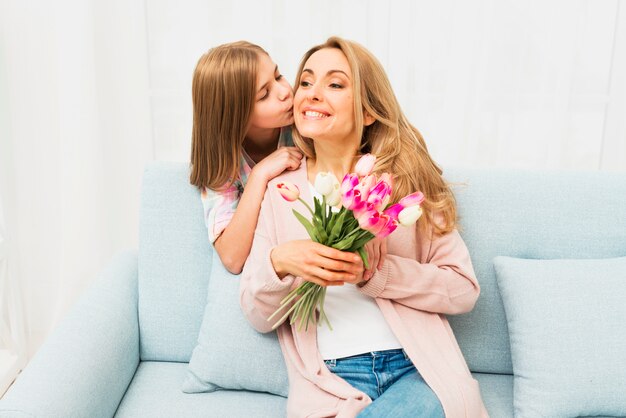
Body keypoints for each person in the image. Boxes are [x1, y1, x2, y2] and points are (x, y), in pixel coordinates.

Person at [240, 37, 488, 417]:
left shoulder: (405, 185)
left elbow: (463, 289)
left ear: (369, 112)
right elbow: (258, 315)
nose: (312, 94)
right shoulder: (280, 191)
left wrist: (379, 274)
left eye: (335, 84)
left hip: (417, 371)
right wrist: (281, 262)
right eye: (305, 82)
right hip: (333, 382)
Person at [189, 41, 302, 274]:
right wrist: (260, 174)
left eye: (279, 76)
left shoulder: (303, 127)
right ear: (235, 116)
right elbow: (232, 258)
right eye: (264, 95)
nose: (285, 92)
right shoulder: (222, 161)